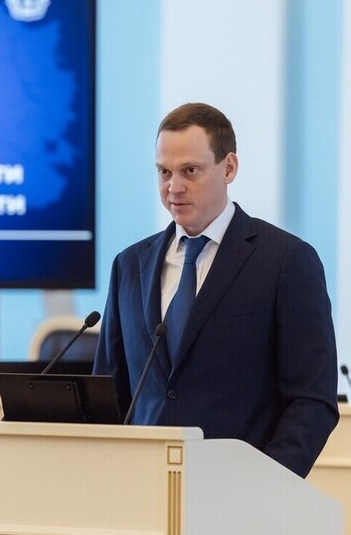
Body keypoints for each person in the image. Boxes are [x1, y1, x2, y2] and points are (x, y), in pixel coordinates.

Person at [92, 102, 338, 478]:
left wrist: (267, 484)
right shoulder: (129, 266)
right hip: (141, 490)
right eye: (164, 172)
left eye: (190, 171)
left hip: (239, 492)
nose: (174, 187)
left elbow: (312, 399)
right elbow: (109, 394)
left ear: (229, 168)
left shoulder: (286, 261)